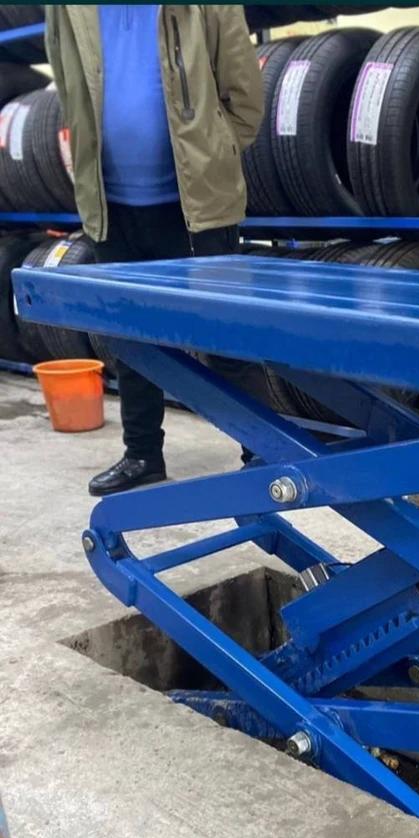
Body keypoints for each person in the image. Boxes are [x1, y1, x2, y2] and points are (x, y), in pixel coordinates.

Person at [46, 5, 265, 495]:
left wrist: (216, 150)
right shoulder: (68, 8)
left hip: (196, 205)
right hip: (111, 205)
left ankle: (262, 454)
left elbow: (244, 94)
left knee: (227, 336)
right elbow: (70, 88)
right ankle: (142, 454)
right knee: (132, 340)